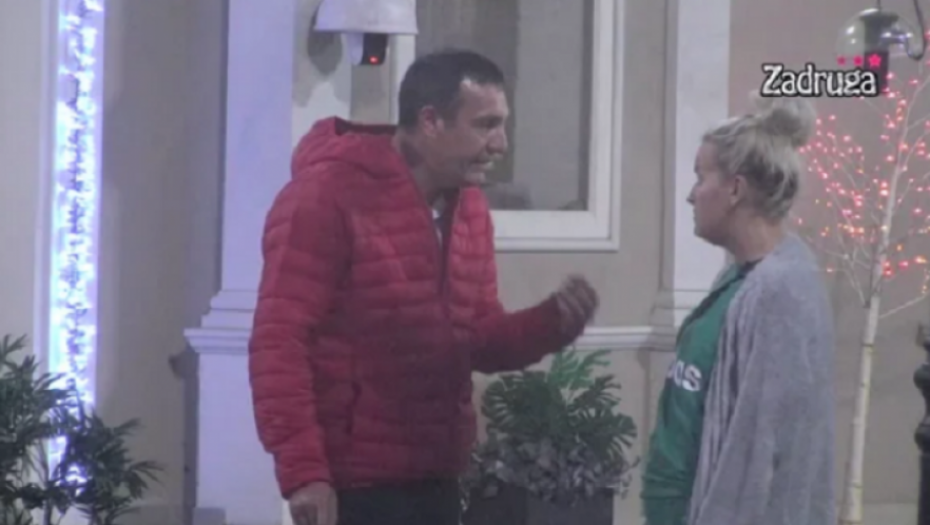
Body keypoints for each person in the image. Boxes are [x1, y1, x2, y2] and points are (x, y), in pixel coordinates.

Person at [247, 48, 599, 525]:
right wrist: (304, 471)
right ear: (430, 121)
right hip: (353, 484)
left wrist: (551, 323)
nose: (501, 144)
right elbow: (279, 342)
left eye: (502, 125)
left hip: (436, 477)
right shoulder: (325, 196)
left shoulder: (470, 209)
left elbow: (477, 338)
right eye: (486, 125)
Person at [640, 93, 835, 525]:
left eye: (700, 177)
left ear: (735, 189)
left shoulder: (781, 294)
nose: (691, 195)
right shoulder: (735, 280)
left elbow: (770, 454)